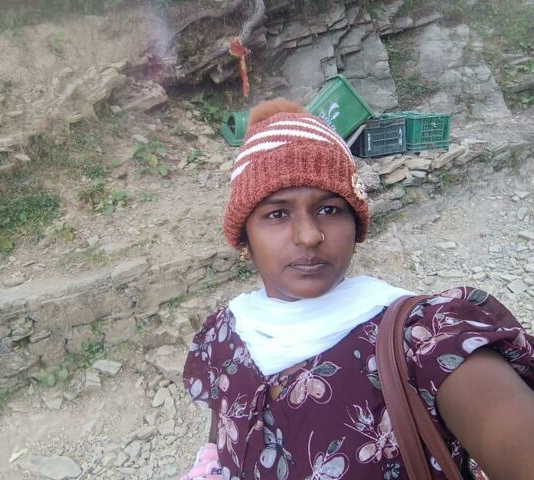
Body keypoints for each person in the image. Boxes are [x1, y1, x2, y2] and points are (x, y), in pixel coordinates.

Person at [181, 99, 534, 480]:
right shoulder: (226, 332)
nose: (309, 236)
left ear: (356, 224)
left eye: (329, 209)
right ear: (244, 238)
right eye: (277, 214)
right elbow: (223, 437)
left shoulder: (421, 336)